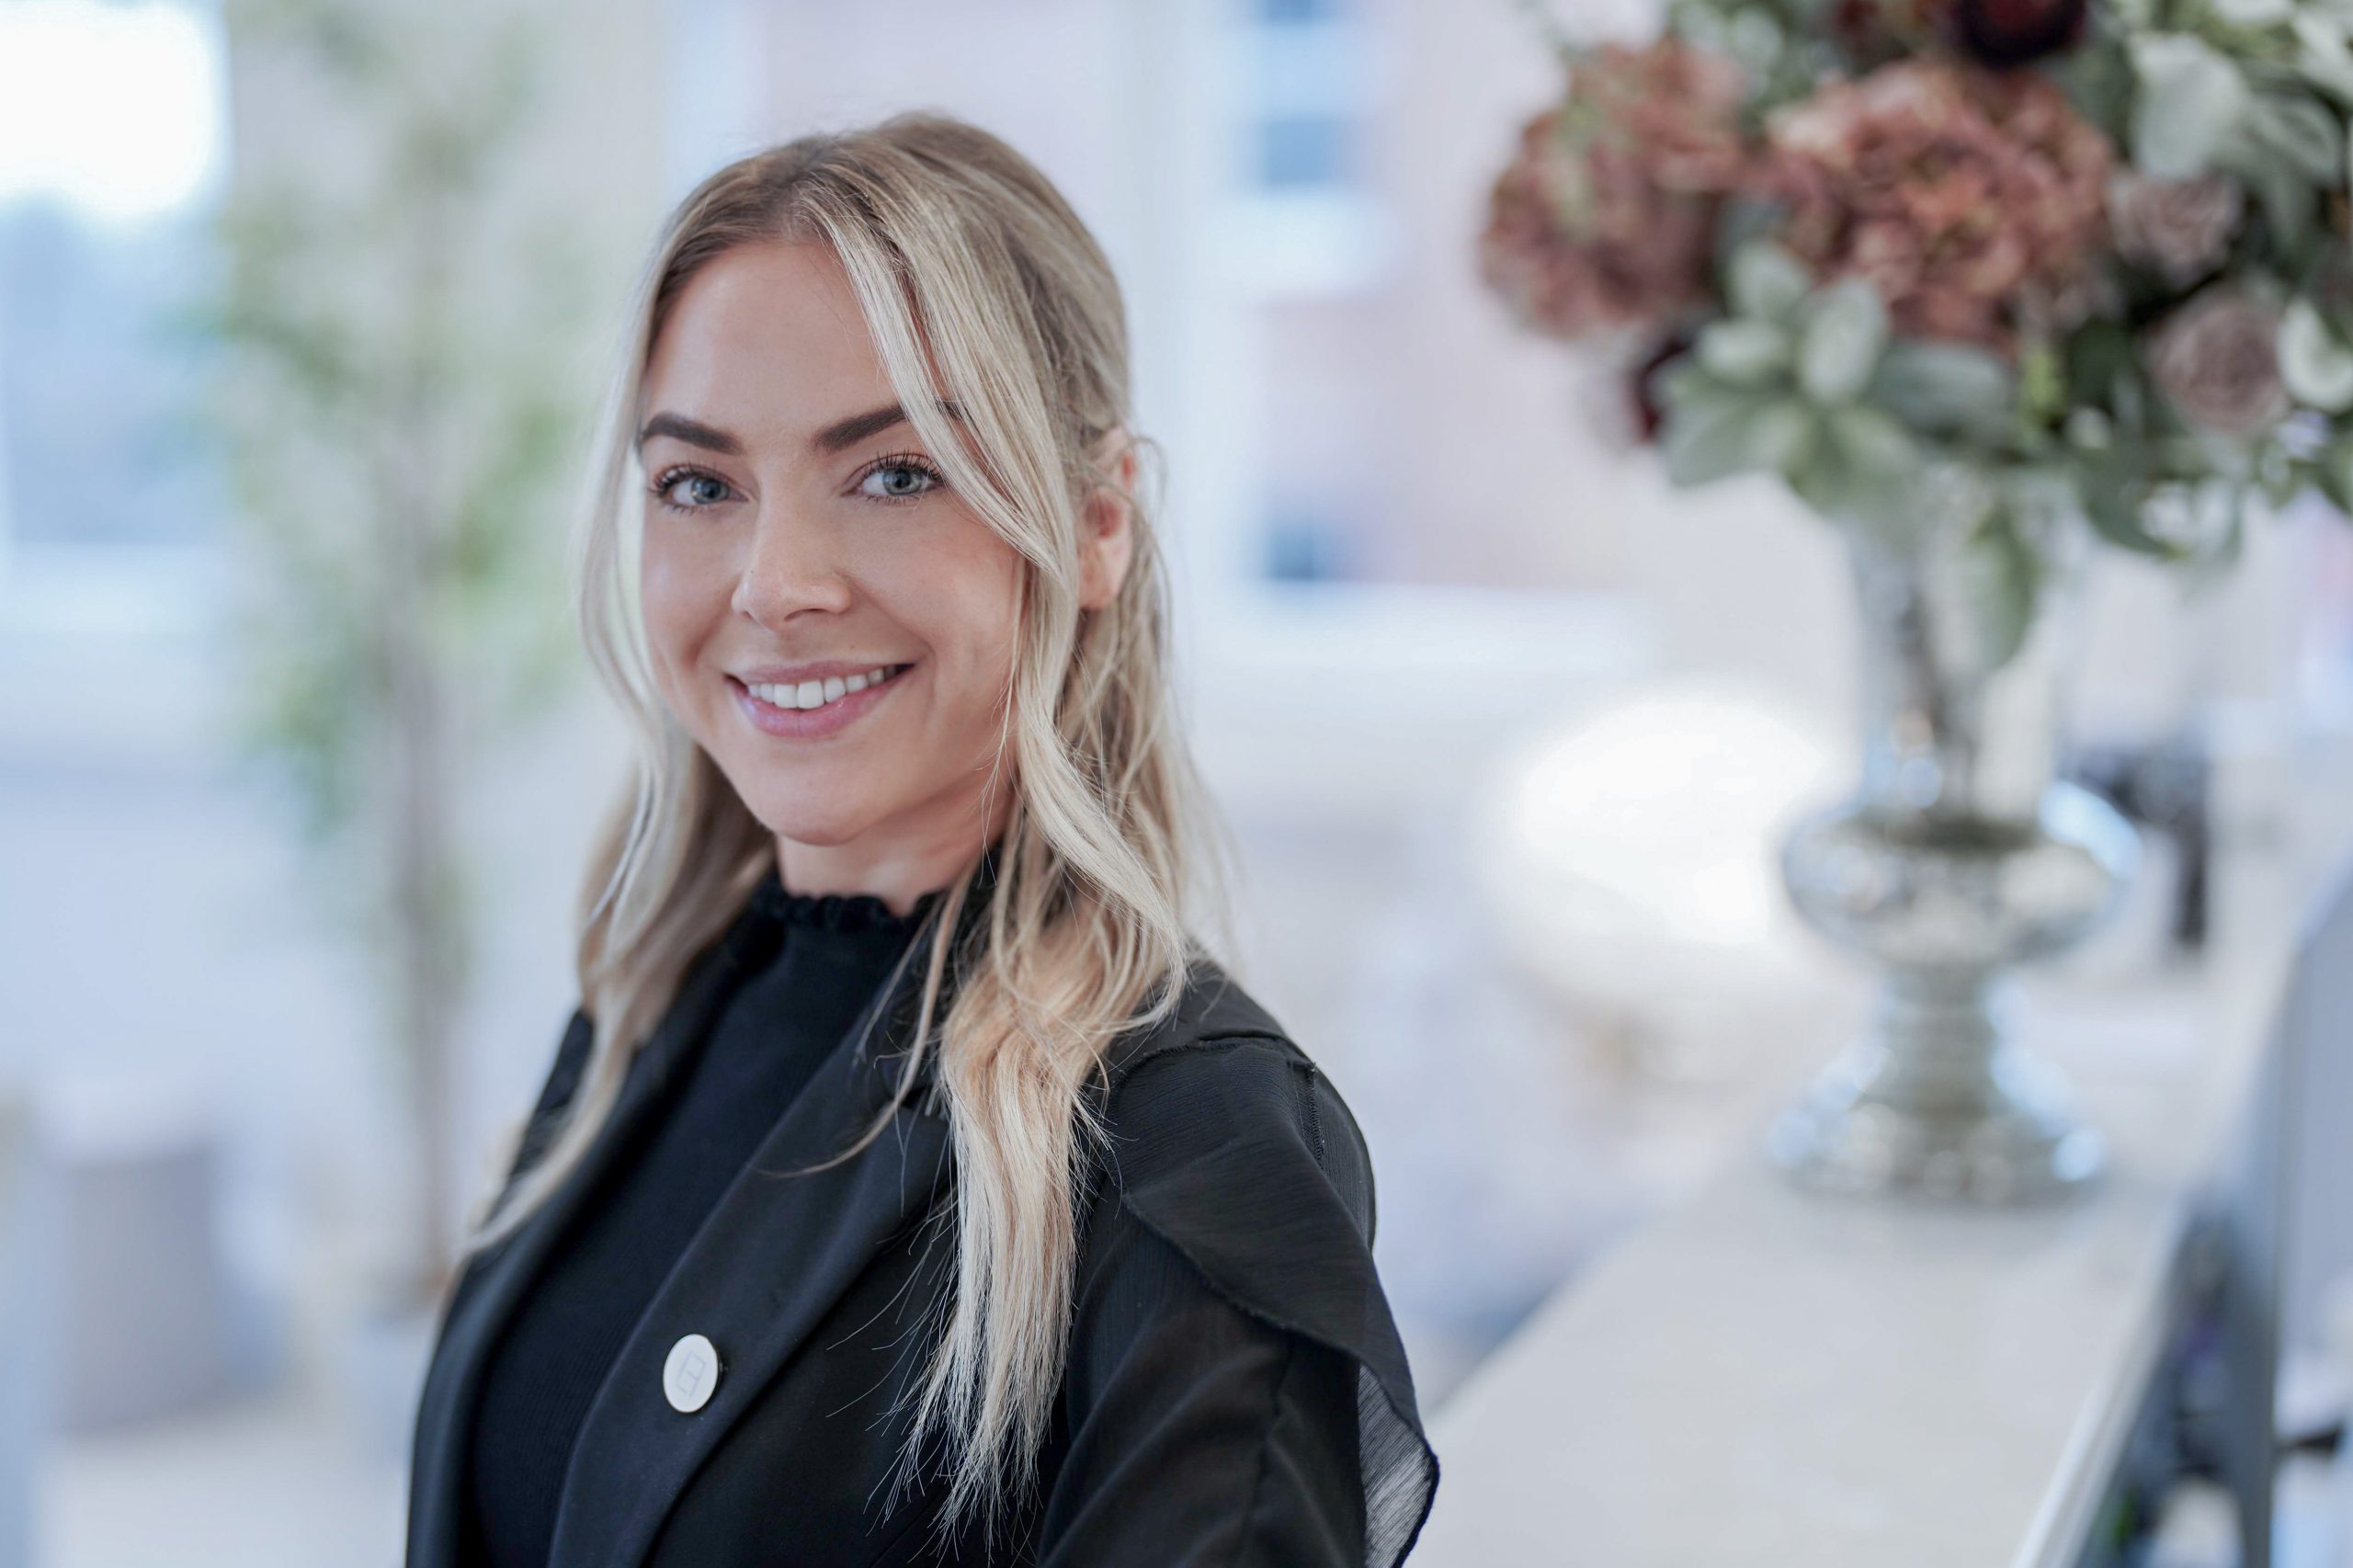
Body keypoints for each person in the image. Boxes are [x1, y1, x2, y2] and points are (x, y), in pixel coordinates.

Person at [404, 111, 1437, 1568]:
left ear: (1092, 521)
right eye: (699, 483)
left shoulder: (1192, 1142)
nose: (773, 584)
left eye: (893, 473)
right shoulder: (657, 998)